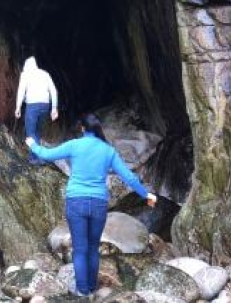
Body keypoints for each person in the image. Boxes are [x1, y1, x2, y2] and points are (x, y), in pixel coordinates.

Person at [25, 113, 157, 297]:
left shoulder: (74, 145)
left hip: (76, 201)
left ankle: (82, 291)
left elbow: (46, 154)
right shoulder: (108, 151)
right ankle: (92, 289)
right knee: (92, 248)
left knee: (80, 249)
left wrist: (32, 144)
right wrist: (147, 194)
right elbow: (128, 177)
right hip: (98, 204)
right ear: (97, 129)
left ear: (82, 128)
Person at [15, 56, 58, 163]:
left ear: (26, 66)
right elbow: (53, 90)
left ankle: (36, 157)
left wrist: (18, 107)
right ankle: (37, 155)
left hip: (32, 105)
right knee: (37, 131)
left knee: (30, 132)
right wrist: (54, 108)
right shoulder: (45, 74)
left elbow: (21, 91)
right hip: (45, 106)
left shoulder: (25, 74)